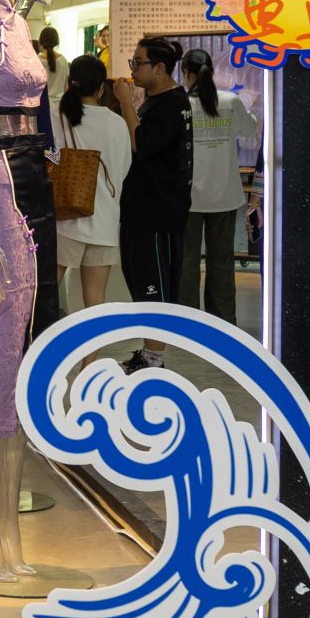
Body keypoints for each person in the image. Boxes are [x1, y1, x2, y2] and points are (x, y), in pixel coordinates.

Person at [119, 37, 192, 370]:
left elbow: (142, 144)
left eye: (138, 62)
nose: (133, 69)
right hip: (142, 209)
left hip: (158, 213)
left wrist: (125, 103)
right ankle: (149, 353)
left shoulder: (172, 104)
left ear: (160, 68)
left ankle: (154, 358)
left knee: (154, 287)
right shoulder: (159, 101)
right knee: (141, 282)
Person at [179, 49, 258, 324]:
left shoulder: (181, 104)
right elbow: (250, 129)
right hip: (225, 195)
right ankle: (222, 323)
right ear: (212, 72)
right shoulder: (231, 101)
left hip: (188, 198)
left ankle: (187, 323)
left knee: (187, 262)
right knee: (222, 262)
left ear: (185, 74)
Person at [53, 54, 131, 316]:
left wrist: (60, 159)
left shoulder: (58, 117)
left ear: (69, 82)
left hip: (67, 219)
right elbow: (123, 169)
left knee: (46, 292)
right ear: (101, 88)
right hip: (105, 221)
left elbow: (48, 157)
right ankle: (92, 346)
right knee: (95, 301)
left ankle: (40, 342)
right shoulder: (118, 123)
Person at [35, 25, 68, 97]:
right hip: (60, 102)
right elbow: (66, 87)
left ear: (41, 41)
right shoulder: (63, 61)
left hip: (42, 102)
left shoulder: (37, 60)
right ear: (56, 41)